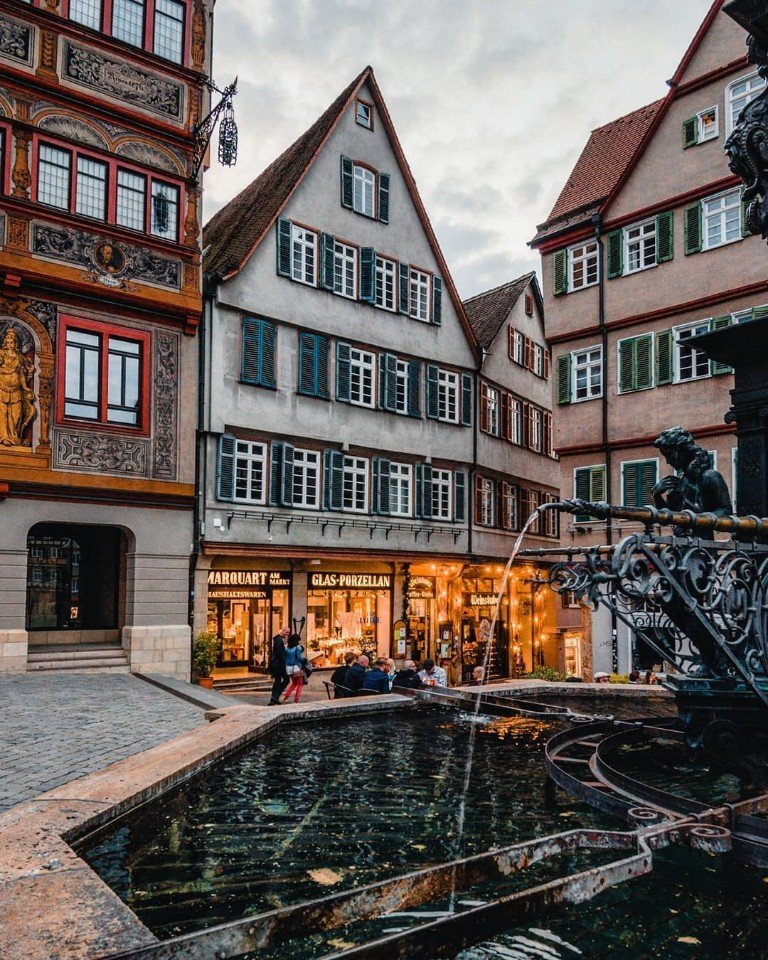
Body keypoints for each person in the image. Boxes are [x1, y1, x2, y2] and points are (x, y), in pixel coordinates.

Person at [267, 627, 290, 705]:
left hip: (277, 664)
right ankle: (275, 696)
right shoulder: (279, 640)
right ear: (282, 631)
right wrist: (284, 662)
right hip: (278, 664)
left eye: (288, 633)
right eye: (286, 632)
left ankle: (274, 698)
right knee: (286, 679)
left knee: (277, 681)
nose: (287, 634)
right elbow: (280, 654)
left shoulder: (278, 639)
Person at [282, 634, 305, 703]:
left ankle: (285, 697)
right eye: (299, 640)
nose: (299, 642)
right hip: (296, 667)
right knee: (300, 684)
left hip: (288, 668)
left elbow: (285, 658)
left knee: (294, 683)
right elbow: (299, 658)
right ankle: (296, 699)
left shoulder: (286, 648)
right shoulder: (297, 648)